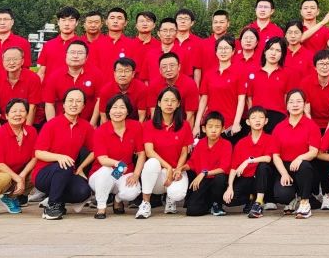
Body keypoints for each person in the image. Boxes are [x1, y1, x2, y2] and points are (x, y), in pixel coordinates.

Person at [33, 88, 96, 220]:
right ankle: (52, 206)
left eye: (78, 101)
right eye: (70, 101)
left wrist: (81, 167)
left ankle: (58, 199)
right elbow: (38, 152)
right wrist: (59, 157)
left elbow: (95, 150)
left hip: (67, 172)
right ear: (64, 104)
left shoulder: (85, 126)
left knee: (83, 192)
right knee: (65, 164)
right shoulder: (52, 124)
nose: (74, 104)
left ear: (83, 106)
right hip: (44, 174)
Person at [87, 94, 145, 219]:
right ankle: (101, 207)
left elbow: (141, 153)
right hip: (101, 174)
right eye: (114, 107)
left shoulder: (136, 127)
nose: (118, 111)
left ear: (128, 111)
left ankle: (117, 199)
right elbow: (102, 159)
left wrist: (136, 174)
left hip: (124, 172)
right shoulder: (100, 131)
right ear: (108, 111)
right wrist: (118, 164)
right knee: (106, 170)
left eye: (122, 107)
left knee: (132, 192)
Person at [139, 87, 192, 218]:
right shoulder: (149, 125)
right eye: (166, 100)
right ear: (159, 103)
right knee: (151, 163)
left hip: (175, 170)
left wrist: (177, 169)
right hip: (157, 173)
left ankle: (171, 198)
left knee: (178, 194)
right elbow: (149, 151)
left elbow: (184, 152)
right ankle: (145, 203)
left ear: (178, 104)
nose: (169, 104)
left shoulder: (184, 125)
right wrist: (168, 167)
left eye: (173, 101)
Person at [271, 89, 321, 218]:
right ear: (287, 106)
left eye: (299, 101)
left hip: (305, 168)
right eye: (291, 102)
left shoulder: (311, 126)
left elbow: (313, 152)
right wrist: (284, 173)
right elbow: (275, 155)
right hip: (285, 166)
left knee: (304, 166)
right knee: (282, 196)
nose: (295, 105)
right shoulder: (279, 127)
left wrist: (299, 158)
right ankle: (293, 198)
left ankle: (305, 202)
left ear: (304, 104)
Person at [224, 106, 279, 218]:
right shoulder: (241, 143)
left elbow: (268, 158)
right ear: (248, 122)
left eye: (261, 117)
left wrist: (248, 161)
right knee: (229, 201)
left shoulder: (270, 138)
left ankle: (258, 202)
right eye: (253, 118)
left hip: (263, 179)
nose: (257, 120)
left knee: (263, 166)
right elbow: (234, 167)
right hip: (247, 179)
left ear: (266, 121)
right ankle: (251, 198)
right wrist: (230, 187)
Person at [42, 40, 100, 123]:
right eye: (72, 52)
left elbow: (99, 100)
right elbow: (49, 103)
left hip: (87, 124)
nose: (75, 56)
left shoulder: (96, 74)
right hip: (61, 124)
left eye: (80, 53)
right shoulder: (55, 76)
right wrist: (53, 126)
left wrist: (92, 124)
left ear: (86, 57)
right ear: (66, 55)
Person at [186, 112, 232, 216]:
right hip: (204, 180)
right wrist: (180, 168)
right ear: (204, 129)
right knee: (192, 211)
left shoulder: (226, 144)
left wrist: (204, 173)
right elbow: (192, 163)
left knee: (220, 177)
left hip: (217, 181)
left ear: (223, 129)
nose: (213, 130)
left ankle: (216, 204)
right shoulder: (201, 143)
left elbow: (224, 168)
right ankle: (208, 204)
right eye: (210, 127)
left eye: (217, 127)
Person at [195, 36, 240, 136]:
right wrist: (197, 124)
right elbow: (203, 100)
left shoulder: (239, 72)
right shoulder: (209, 74)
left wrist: (236, 123)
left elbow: (241, 100)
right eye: (220, 48)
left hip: (229, 125)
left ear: (233, 51)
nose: (223, 51)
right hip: (211, 123)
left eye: (227, 48)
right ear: (216, 51)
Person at [0, 46, 41, 128]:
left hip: (28, 120)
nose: (11, 63)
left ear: (22, 61)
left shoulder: (33, 78)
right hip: (6, 120)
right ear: (3, 62)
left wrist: (27, 130)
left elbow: (33, 107)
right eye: (8, 60)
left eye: (15, 59)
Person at [300, 49, 329, 133]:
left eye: (328, 64)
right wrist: (315, 132)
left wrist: (327, 133)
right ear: (315, 67)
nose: (325, 67)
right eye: (321, 64)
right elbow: (307, 112)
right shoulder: (305, 83)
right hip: (312, 124)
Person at [153, 52, 199, 127]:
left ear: (179, 67)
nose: (168, 69)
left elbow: (190, 115)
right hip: (161, 124)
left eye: (172, 66)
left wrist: (185, 131)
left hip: (182, 123)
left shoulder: (190, 84)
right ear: (160, 70)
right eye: (164, 67)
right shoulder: (154, 84)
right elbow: (153, 112)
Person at [97, 58, 150, 123]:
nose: (123, 75)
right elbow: (104, 117)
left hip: (134, 123)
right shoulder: (105, 90)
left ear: (133, 74)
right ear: (114, 73)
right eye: (119, 71)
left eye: (127, 71)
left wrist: (137, 128)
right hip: (113, 123)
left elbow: (142, 117)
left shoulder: (142, 89)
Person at [35, 6, 81, 80]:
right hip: (50, 86)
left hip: (73, 86)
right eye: (63, 20)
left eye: (71, 20)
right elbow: (41, 72)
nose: (67, 24)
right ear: (58, 22)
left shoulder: (82, 45)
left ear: (77, 23)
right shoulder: (48, 45)